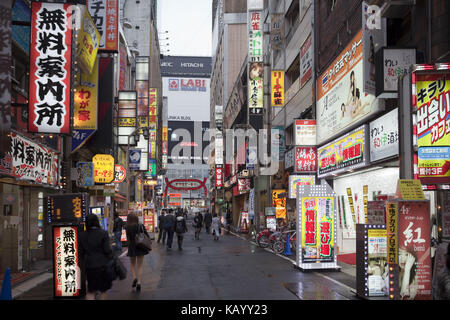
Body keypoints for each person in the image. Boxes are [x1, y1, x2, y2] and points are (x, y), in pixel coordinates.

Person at [79, 214, 114, 300]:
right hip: (103, 266)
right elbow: (107, 250)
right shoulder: (103, 233)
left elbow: (81, 253)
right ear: (97, 222)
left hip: (89, 266)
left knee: (91, 291)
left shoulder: (82, 235)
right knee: (103, 290)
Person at [125, 213, 150, 292]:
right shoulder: (141, 226)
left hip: (132, 247)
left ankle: (134, 277)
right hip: (140, 246)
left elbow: (127, 238)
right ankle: (139, 282)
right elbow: (146, 235)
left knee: (132, 264)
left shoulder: (127, 227)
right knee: (140, 266)